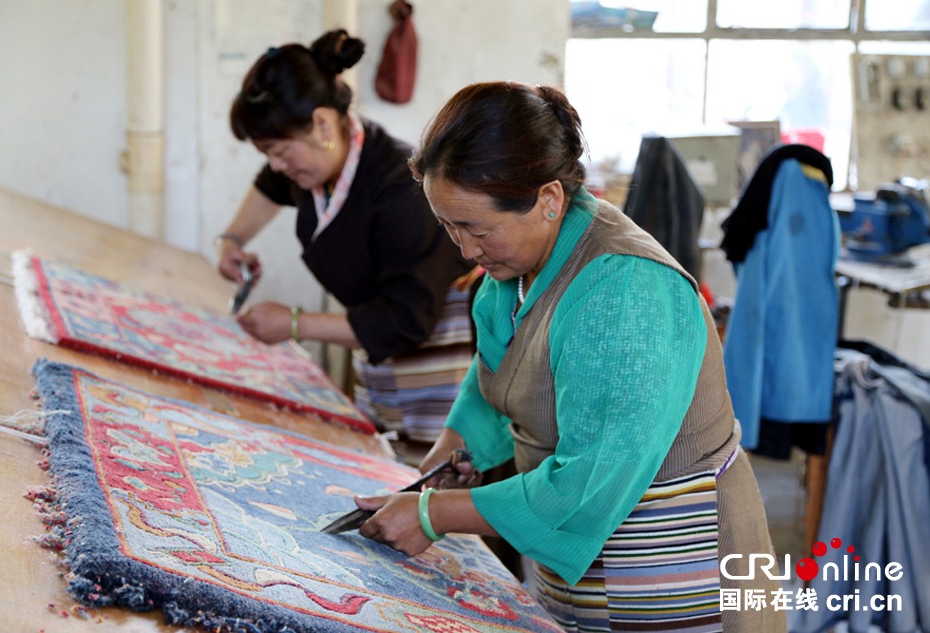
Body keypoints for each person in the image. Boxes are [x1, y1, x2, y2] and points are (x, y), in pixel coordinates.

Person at [352, 81, 786, 632]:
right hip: (582, 562)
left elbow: (590, 479)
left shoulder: (625, 288)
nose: (465, 249)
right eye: (448, 226)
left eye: (476, 228)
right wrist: (452, 452)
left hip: (675, 559)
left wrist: (433, 515)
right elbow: (498, 372)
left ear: (549, 199)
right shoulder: (513, 270)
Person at [217, 29, 478, 442]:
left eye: (280, 152)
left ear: (322, 123)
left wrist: (295, 324)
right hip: (378, 346)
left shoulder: (400, 191)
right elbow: (270, 185)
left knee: (430, 469)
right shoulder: (312, 170)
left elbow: (407, 319)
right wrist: (232, 240)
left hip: (437, 355)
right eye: (268, 154)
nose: (277, 165)